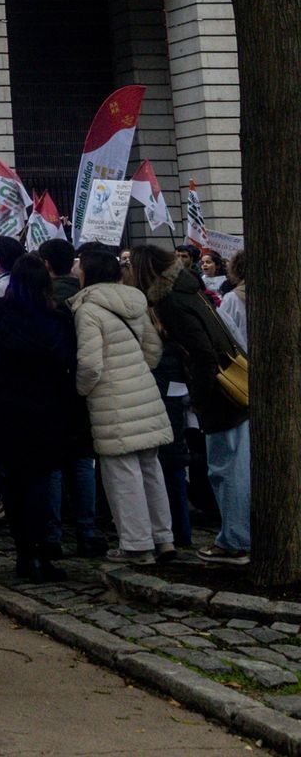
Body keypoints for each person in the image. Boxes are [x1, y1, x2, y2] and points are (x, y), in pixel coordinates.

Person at [132, 245, 248, 564]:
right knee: (232, 466)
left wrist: (198, 397)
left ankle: (235, 541)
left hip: (220, 394)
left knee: (226, 469)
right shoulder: (190, 289)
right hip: (230, 387)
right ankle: (238, 536)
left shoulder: (170, 302)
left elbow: (201, 352)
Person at [72, 246, 172, 565]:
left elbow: (89, 365)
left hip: (111, 400)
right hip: (144, 392)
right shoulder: (135, 300)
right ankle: (163, 538)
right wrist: (136, 371)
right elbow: (154, 349)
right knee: (150, 469)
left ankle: (136, 544)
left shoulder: (88, 309)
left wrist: (81, 390)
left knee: (121, 473)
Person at [0, 256, 77, 581]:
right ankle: (39, 552)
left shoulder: (0, 314)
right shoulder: (57, 319)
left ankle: (25, 553)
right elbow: (67, 363)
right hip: (45, 409)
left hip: (6, 408)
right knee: (38, 485)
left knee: (14, 486)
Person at [37, 237, 105, 557]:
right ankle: (87, 530)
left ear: (46, 265)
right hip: (80, 391)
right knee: (81, 463)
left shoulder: (44, 301)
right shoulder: (85, 297)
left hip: (52, 389)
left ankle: (52, 536)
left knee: (52, 464)